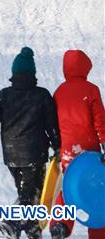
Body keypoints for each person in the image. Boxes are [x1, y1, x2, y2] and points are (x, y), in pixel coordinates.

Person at [0, 47, 60, 239]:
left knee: (32, 192)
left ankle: (33, 229)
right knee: (29, 194)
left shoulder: (3, 96)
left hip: (11, 154)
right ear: (33, 73)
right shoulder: (41, 95)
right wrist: (58, 146)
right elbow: (52, 126)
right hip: (33, 154)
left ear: (14, 73)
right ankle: (12, 222)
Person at [48, 50, 105, 239]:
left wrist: (57, 146)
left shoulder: (59, 92)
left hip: (68, 151)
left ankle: (60, 224)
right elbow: (100, 121)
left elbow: (53, 123)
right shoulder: (91, 90)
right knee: (97, 189)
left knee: (69, 186)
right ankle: (98, 232)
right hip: (89, 151)